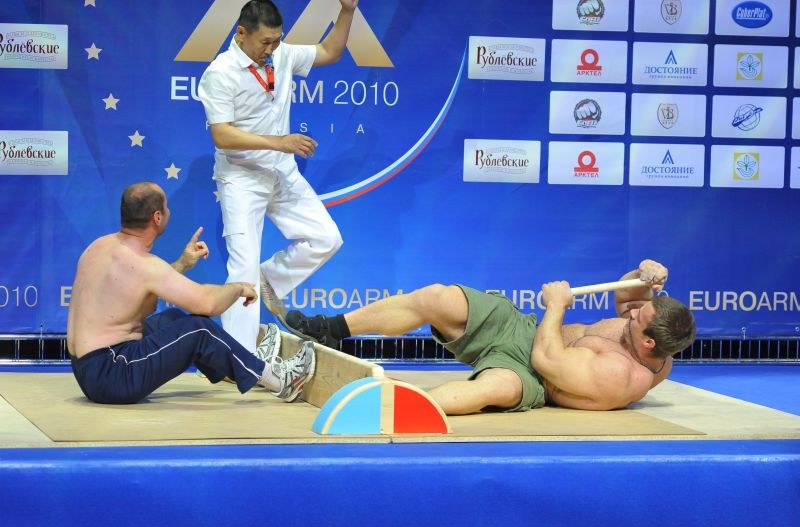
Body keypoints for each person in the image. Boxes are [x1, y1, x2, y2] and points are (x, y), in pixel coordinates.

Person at [285, 260, 697, 414]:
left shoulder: (619, 376)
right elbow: (628, 297)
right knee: (436, 297)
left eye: (636, 319)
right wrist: (644, 274)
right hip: (526, 329)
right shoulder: (650, 335)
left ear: (646, 345)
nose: (631, 311)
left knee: (492, 388)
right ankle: (332, 329)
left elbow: (546, 362)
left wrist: (556, 305)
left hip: (535, 374)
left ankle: (394, 407)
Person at [197, 0, 358, 351]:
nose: (271, 49)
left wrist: (347, 11)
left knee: (326, 238)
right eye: (264, 42)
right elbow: (221, 134)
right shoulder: (220, 72)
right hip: (241, 178)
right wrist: (278, 142)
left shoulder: (281, 54)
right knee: (242, 270)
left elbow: (330, 51)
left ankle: (268, 278)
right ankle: (238, 358)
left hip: (280, 172)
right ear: (241, 33)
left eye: (277, 40)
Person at [66, 181, 315, 405]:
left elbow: (134, 292)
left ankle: (242, 365)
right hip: (113, 374)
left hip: (88, 369)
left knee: (172, 319)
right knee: (199, 329)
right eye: (167, 207)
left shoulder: (98, 247)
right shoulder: (144, 265)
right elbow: (207, 304)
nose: (169, 212)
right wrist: (239, 287)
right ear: (157, 217)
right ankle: (282, 381)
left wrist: (182, 264)